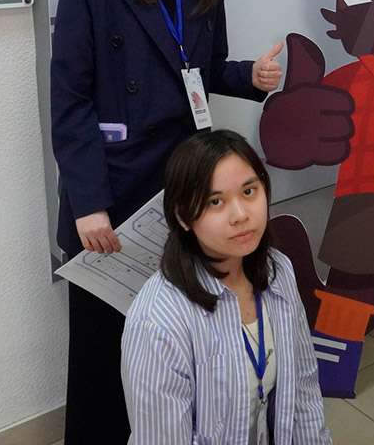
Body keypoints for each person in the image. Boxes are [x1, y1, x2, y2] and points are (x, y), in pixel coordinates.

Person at [50, 0, 284, 444]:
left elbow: (202, 70)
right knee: (103, 347)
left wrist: (251, 77)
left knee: (178, 337)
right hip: (114, 188)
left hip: (184, 187)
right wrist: (88, 202)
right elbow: (70, 100)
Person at [122, 130, 332, 444]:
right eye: (215, 201)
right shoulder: (157, 323)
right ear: (183, 217)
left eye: (249, 191)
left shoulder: (278, 270)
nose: (241, 215)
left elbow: (302, 385)